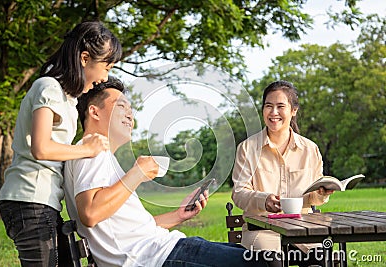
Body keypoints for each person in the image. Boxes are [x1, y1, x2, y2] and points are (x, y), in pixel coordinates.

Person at [63, 77, 268, 267]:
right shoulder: (90, 150)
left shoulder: (103, 157)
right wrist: (138, 172)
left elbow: (133, 229)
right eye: (121, 106)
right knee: (260, 262)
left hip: (163, 249)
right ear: (94, 112)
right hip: (155, 257)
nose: (130, 114)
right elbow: (90, 213)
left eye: (131, 109)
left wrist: (178, 216)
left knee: (258, 257)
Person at [0, 21, 122, 267]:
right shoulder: (49, 87)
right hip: (30, 198)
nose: (105, 76)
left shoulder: (68, 98)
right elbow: (41, 148)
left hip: (43, 202)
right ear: (85, 58)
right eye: (106, 66)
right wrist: (87, 149)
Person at [232, 80, 334, 266]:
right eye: (268, 106)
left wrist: (321, 194)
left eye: (280, 106)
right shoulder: (247, 148)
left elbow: (312, 197)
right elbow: (239, 193)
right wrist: (263, 199)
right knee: (272, 261)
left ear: (293, 110)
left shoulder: (310, 149)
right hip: (261, 230)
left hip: (303, 229)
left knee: (321, 258)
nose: (273, 113)